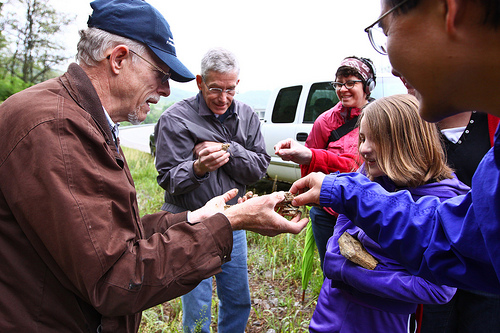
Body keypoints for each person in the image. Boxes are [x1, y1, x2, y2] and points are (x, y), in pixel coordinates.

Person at [0, 1, 307, 332]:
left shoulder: (78, 119)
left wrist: (195, 218)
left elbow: (109, 236)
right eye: (160, 74)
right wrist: (228, 219)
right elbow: (115, 278)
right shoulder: (57, 128)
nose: (165, 90)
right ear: (118, 59)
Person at [290, 0, 500, 293]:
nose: (393, 69)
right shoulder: (327, 120)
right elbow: (460, 239)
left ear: (450, 11)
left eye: (384, 29)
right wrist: (341, 189)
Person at [309, 94, 465, 333]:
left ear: (408, 142)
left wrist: (348, 271)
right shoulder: (371, 174)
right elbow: (341, 228)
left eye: (376, 139)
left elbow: (438, 290)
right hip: (331, 308)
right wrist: (337, 257)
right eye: (362, 138)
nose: (364, 149)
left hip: (381, 320)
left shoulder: (441, 202)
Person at [154, 47, 269, 333]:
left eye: (230, 89)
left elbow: (259, 168)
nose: (223, 97)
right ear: (199, 82)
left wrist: (229, 150)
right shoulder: (175, 119)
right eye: (215, 88)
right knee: (197, 304)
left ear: (238, 84)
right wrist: (198, 168)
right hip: (192, 222)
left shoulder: (247, 115)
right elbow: (168, 180)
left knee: (238, 298)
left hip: (233, 222)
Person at [274, 56, 376, 269]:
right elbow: (309, 167)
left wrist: (311, 155)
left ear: (367, 86)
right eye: (339, 84)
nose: (343, 89)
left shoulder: (377, 119)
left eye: (350, 83)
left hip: (360, 212)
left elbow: (357, 167)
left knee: (360, 273)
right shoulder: (325, 121)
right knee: (330, 268)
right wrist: (303, 155)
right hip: (325, 210)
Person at [420, 110, 500, 332]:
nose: (399, 74)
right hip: (434, 265)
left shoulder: (492, 120)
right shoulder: (415, 121)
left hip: (485, 266)